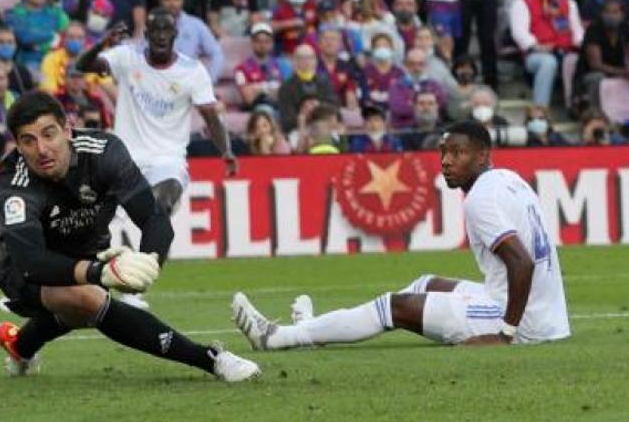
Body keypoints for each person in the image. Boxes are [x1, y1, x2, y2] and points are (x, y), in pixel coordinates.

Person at [0, 91, 258, 382]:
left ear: (67, 129)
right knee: (87, 298)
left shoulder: (104, 152)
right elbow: (32, 260)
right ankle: (210, 359)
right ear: (17, 145)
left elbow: (154, 218)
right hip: (22, 271)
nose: (42, 149)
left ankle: (20, 345)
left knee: (80, 306)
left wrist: (147, 265)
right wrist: (97, 272)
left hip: (84, 249)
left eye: (49, 134)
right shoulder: (13, 183)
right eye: (28, 141)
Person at [231, 120, 569, 349]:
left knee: (391, 307)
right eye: (444, 153)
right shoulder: (509, 178)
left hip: (523, 323)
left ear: (482, 156)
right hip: (544, 313)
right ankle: (318, 330)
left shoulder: (480, 199)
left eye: (458, 153)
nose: (446, 162)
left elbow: (521, 263)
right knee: (424, 283)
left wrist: (505, 334)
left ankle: (278, 337)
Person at [75, 12, 237, 228]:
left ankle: (149, 257)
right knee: (94, 222)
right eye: (156, 31)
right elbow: (83, 65)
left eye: (166, 30)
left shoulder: (192, 71)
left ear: (175, 35)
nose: (161, 36)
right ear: (146, 34)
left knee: (163, 203)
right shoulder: (127, 57)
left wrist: (225, 150)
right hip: (125, 158)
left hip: (167, 159)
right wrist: (102, 43)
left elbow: (211, 118)